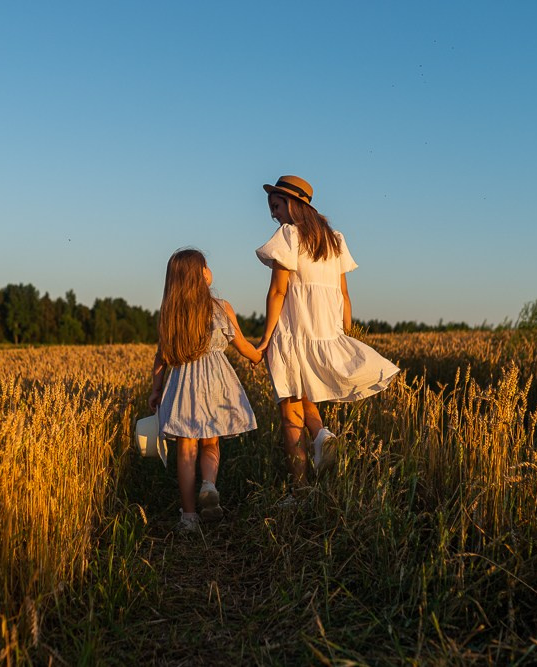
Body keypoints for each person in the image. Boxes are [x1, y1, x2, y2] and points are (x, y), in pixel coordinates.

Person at [255, 175, 399, 496]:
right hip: (325, 335)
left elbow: (278, 292)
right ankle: (322, 437)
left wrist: (265, 338)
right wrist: (346, 336)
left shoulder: (289, 235)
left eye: (276, 206)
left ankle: (300, 490)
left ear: (292, 204)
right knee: (305, 398)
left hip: (292, 334)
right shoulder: (334, 240)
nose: (273, 214)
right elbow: (344, 295)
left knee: (290, 416)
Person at [149, 248, 263, 533]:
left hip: (182, 385)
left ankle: (188, 517)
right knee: (211, 442)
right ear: (200, 275)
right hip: (215, 384)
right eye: (206, 266)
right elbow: (242, 344)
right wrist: (257, 356)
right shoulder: (221, 307)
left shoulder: (171, 314)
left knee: (186, 449)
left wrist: (156, 390)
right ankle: (209, 485)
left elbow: (161, 358)